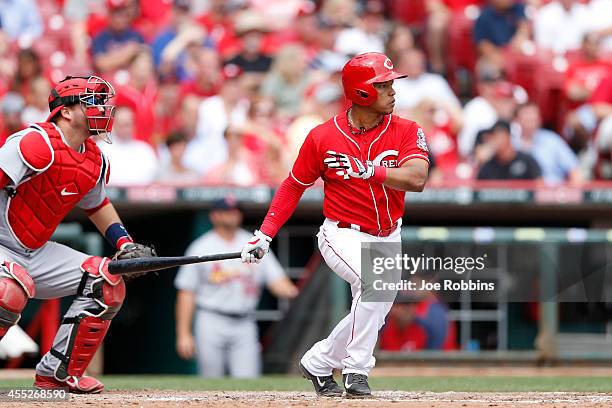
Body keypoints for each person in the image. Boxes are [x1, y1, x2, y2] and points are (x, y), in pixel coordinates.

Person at [240, 52, 429, 398]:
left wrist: (372, 171)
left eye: (390, 84)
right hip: (341, 232)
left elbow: (417, 178)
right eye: (382, 85)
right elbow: (293, 184)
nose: (392, 91)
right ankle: (357, 369)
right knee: (377, 287)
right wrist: (265, 234)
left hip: (389, 232)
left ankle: (319, 360)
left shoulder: (407, 130)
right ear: (360, 92)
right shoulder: (323, 136)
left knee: (375, 304)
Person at [0, 75, 155, 393]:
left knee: (106, 280)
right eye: (94, 102)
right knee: (10, 289)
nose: (104, 109)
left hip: (33, 250)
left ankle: (57, 373)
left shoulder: (93, 159)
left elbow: (97, 205)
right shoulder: (34, 143)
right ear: (66, 111)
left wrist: (125, 243)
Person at [174, 196, 297, 378]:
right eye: (225, 211)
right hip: (211, 319)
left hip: (244, 321)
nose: (231, 215)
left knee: (248, 380)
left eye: (235, 211)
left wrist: (296, 293)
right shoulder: (201, 246)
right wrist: (183, 333)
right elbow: (186, 293)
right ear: (214, 216)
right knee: (210, 382)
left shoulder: (253, 244)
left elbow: (277, 281)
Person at [514, 102, 581, 184]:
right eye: (527, 115)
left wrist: (572, 192)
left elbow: (574, 169)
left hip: (553, 192)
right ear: (516, 120)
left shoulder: (551, 140)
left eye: (534, 115)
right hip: (521, 193)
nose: (531, 117)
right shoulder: (511, 144)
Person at [97, 106, 158, 186]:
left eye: (128, 124)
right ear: (113, 125)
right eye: (121, 125)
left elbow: (152, 176)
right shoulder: (100, 149)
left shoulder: (145, 150)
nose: (125, 129)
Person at [477, 120, 542, 180]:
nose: (496, 141)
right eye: (494, 137)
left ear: (509, 137)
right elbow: (478, 190)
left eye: (499, 137)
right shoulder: (488, 166)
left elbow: (540, 186)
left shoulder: (527, 160)